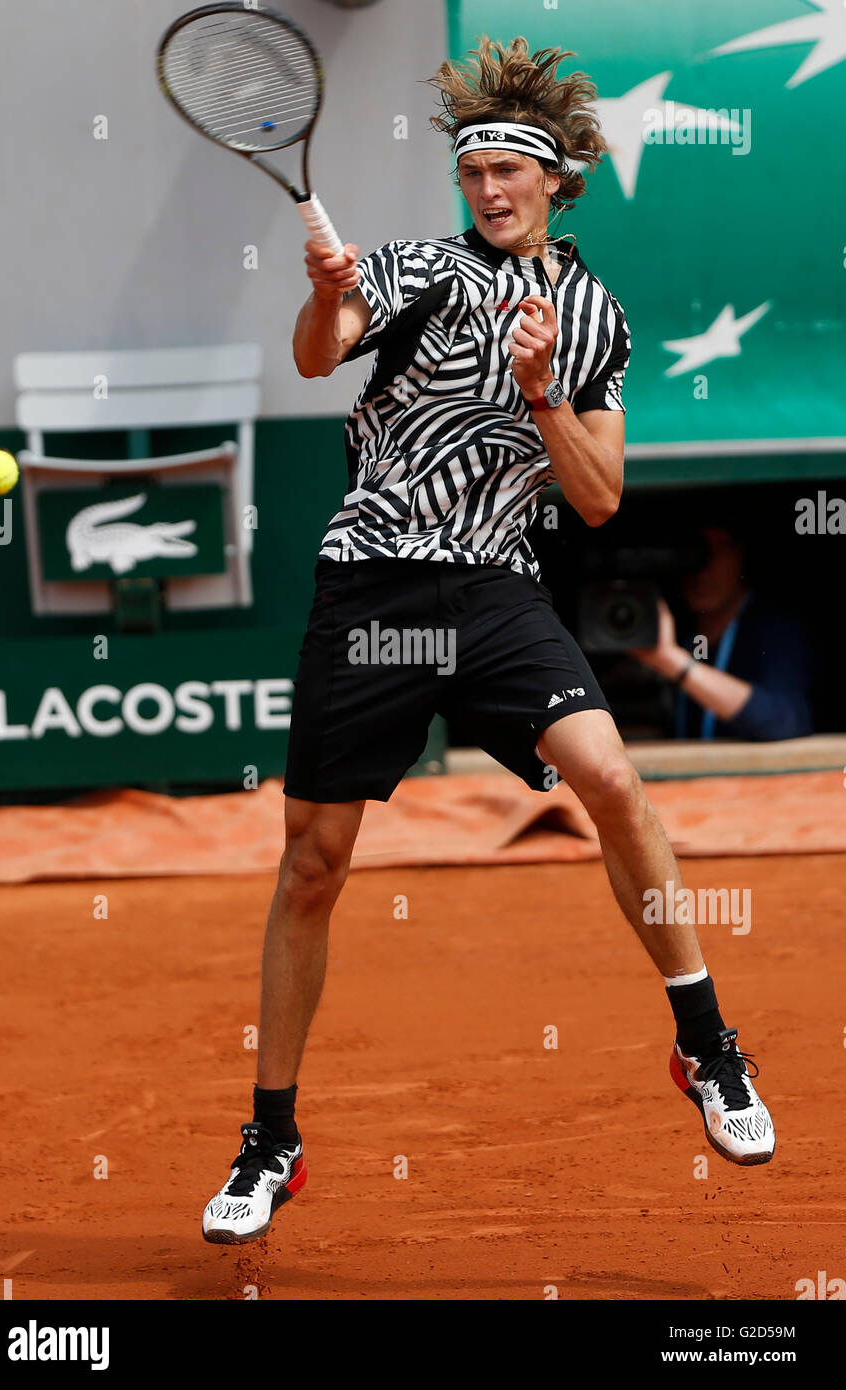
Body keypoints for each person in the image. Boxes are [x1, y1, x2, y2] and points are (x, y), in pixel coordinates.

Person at [202, 36, 775, 1247]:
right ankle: (273, 1136)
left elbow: (601, 498)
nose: (490, 190)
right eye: (473, 174)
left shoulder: (589, 313)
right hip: (368, 591)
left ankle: (708, 1046)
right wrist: (322, 291)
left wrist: (541, 396)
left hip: (496, 595)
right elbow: (320, 351)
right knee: (314, 865)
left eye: (510, 170)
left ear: (560, 180)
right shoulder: (411, 269)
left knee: (613, 779)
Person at [632, 525, 814, 741]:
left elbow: (783, 723)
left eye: (718, 548)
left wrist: (673, 662)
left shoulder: (777, 628)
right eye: (692, 551)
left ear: (742, 554)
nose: (703, 566)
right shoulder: (670, 628)